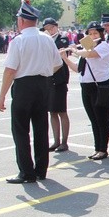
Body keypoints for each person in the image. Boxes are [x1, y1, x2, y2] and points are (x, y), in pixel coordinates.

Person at [0, 0, 62, 183]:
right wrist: (44, 72)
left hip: (24, 86)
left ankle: (26, 171)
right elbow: (57, 64)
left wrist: (1, 96)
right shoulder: (47, 39)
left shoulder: (19, 41)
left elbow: (10, 70)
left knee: (21, 130)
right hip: (43, 85)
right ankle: (41, 170)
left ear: (22, 20)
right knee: (41, 128)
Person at [62, 21, 109, 160]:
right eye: (90, 34)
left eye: (95, 33)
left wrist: (75, 50)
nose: (92, 36)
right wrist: (65, 58)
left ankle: (103, 149)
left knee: (101, 119)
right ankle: (97, 148)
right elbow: (77, 69)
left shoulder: (103, 46)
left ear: (101, 34)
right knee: (93, 119)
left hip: (99, 86)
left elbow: (91, 55)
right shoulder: (86, 51)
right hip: (86, 86)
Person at [40, 17, 71, 152]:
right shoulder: (45, 41)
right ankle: (56, 140)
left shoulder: (62, 39)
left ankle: (64, 141)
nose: (49, 31)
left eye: (50, 28)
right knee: (52, 112)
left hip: (59, 78)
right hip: (48, 78)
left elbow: (60, 54)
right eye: (46, 29)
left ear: (56, 27)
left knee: (62, 111)